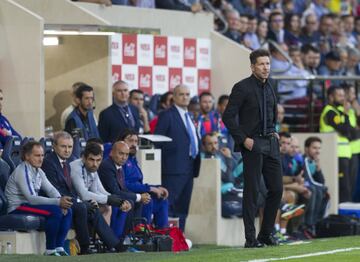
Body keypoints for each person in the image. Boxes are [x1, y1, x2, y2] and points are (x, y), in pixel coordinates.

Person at [222, 49, 283, 248]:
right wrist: (243, 139)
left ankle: (266, 234)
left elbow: (271, 112)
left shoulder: (272, 85)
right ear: (252, 66)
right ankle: (250, 238)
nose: (266, 68)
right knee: (253, 192)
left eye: (268, 64)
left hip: (271, 143)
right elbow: (228, 117)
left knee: (277, 189)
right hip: (253, 144)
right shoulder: (242, 87)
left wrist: (274, 131)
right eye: (262, 64)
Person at [41, 131, 125, 254]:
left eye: (70, 147)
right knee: (82, 207)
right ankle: (85, 246)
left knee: (92, 207)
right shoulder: (49, 162)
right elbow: (54, 189)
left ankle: (113, 244)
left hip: (67, 198)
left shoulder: (65, 164)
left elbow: (72, 190)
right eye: (63, 146)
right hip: (54, 200)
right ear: (54, 146)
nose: (67, 150)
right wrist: (80, 201)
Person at [5, 141, 72, 256]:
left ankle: (59, 247)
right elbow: (31, 198)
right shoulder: (22, 170)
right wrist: (57, 202)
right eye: (37, 155)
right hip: (18, 207)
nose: (41, 159)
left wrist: (61, 200)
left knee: (68, 210)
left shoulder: (38, 171)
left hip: (28, 205)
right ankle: (50, 250)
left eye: (42, 155)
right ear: (27, 156)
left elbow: (51, 189)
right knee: (55, 211)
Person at [154, 84, 201, 232]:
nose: (185, 97)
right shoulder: (167, 115)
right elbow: (157, 142)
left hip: (189, 168)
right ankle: (167, 237)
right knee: (170, 205)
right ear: (173, 97)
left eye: (187, 94)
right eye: (181, 94)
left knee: (183, 207)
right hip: (172, 169)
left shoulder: (190, 116)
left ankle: (179, 237)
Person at [70, 142, 132, 239]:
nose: (95, 164)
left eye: (98, 160)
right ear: (84, 158)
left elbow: (100, 191)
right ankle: (109, 242)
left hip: (84, 204)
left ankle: (105, 241)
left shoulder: (93, 168)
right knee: (97, 206)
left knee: (108, 207)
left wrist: (121, 201)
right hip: (73, 203)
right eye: (92, 160)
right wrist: (111, 200)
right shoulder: (76, 167)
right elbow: (84, 195)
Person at [98, 141, 152, 234]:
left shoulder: (119, 166)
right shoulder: (107, 166)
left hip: (114, 198)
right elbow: (115, 191)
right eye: (121, 153)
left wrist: (140, 196)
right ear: (112, 152)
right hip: (106, 200)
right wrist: (138, 197)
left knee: (139, 202)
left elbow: (123, 189)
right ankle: (120, 238)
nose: (124, 158)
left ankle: (135, 234)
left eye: (126, 155)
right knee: (130, 202)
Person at [118, 129, 169, 228]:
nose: (134, 144)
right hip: (128, 195)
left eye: (136, 141)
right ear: (121, 142)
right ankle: (143, 233)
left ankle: (162, 235)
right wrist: (150, 189)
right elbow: (124, 184)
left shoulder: (132, 159)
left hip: (139, 193)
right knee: (147, 199)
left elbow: (139, 183)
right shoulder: (121, 160)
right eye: (130, 140)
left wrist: (156, 188)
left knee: (162, 200)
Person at [319, 85, 353, 202]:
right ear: (331, 97)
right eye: (339, 95)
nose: (343, 98)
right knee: (343, 187)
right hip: (336, 153)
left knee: (347, 185)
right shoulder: (330, 112)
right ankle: (342, 216)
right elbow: (346, 130)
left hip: (343, 153)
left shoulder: (338, 111)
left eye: (343, 95)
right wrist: (347, 114)